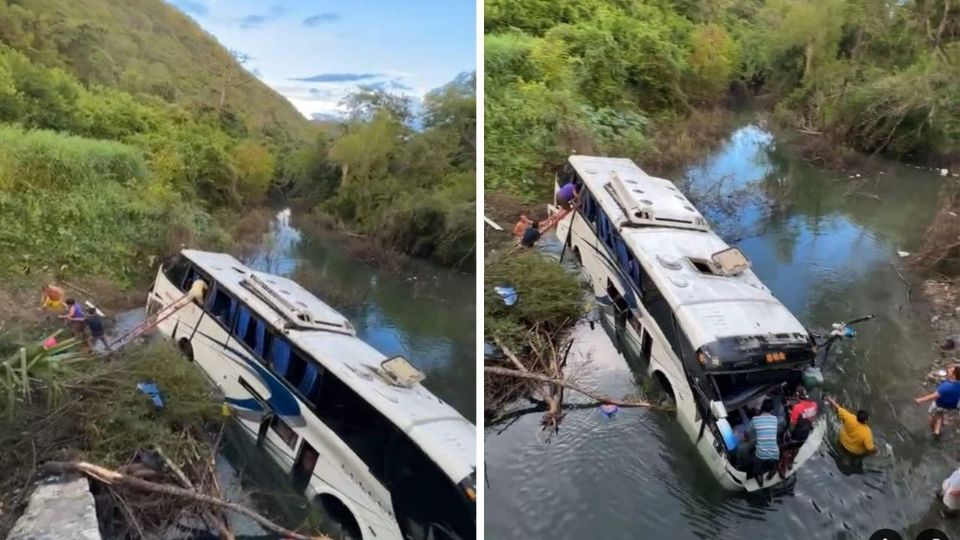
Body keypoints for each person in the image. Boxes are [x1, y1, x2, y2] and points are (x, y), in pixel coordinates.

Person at [916, 365, 960, 437]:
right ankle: (938, 429)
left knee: (932, 417)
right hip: (950, 406)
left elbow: (933, 396)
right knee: (940, 413)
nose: (948, 370)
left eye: (950, 371)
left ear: (954, 376)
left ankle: (934, 431)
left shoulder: (945, 386)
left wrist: (920, 400)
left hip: (939, 404)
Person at [748, 399, 780, 485]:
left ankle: (760, 478)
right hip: (775, 453)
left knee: (758, 467)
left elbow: (747, 432)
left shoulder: (755, 420)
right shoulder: (775, 419)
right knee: (771, 461)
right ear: (772, 410)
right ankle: (772, 471)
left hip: (761, 454)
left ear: (761, 408)